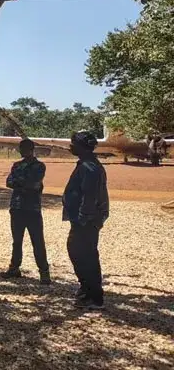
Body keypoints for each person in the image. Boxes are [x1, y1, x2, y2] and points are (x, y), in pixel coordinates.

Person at [64, 131, 109, 310]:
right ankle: (87, 290)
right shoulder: (87, 164)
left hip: (86, 220)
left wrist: (82, 219)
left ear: (81, 147)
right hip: (86, 219)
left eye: (73, 143)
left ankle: (94, 296)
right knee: (82, 253)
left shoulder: (89, 167)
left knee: (84, 255)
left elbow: (89, 196)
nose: (70, 146)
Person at [0, 139, 51, 285]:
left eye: (25, 148)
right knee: (17, 241)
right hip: (17, 208)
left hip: (32, 208)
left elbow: (34, 184)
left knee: (38, 241)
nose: (22, 151)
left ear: (32, 149)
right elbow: (9, 182)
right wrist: (24, 183)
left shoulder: (39, 166)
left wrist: (20, 183)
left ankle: (44, 272)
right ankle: (14, 268)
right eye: (21, 148)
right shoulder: (16, 165)